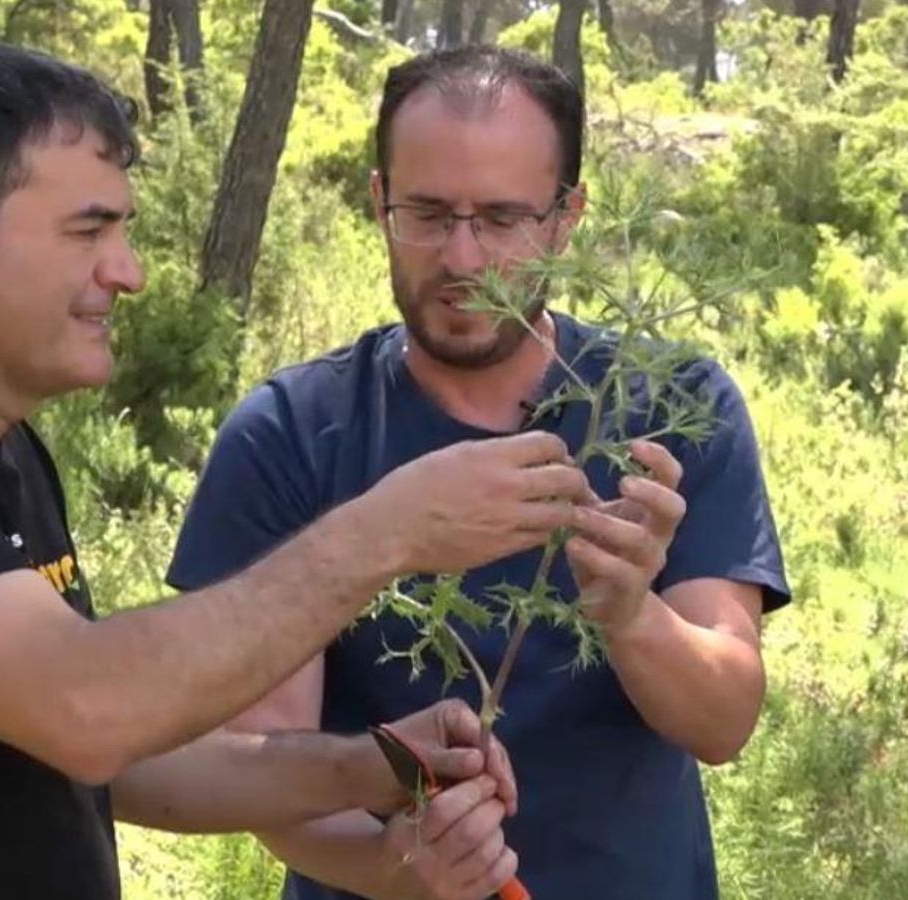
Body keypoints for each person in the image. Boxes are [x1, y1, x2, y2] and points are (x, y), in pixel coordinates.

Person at [0, 41, 592, 899]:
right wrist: (387, 532)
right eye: (89, 231)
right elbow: (88, 707)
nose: (130, 272)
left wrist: (372, 766)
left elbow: (104, 751)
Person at [167, 45, 792, 900]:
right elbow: (263, 765)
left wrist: (631, 614)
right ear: (378, 199)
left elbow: (723, 722)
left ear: (566, 218)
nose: (461, 259)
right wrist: (392, 869)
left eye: (501, 220)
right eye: (426, 213)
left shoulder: (670, 407)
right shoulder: (291, 433)